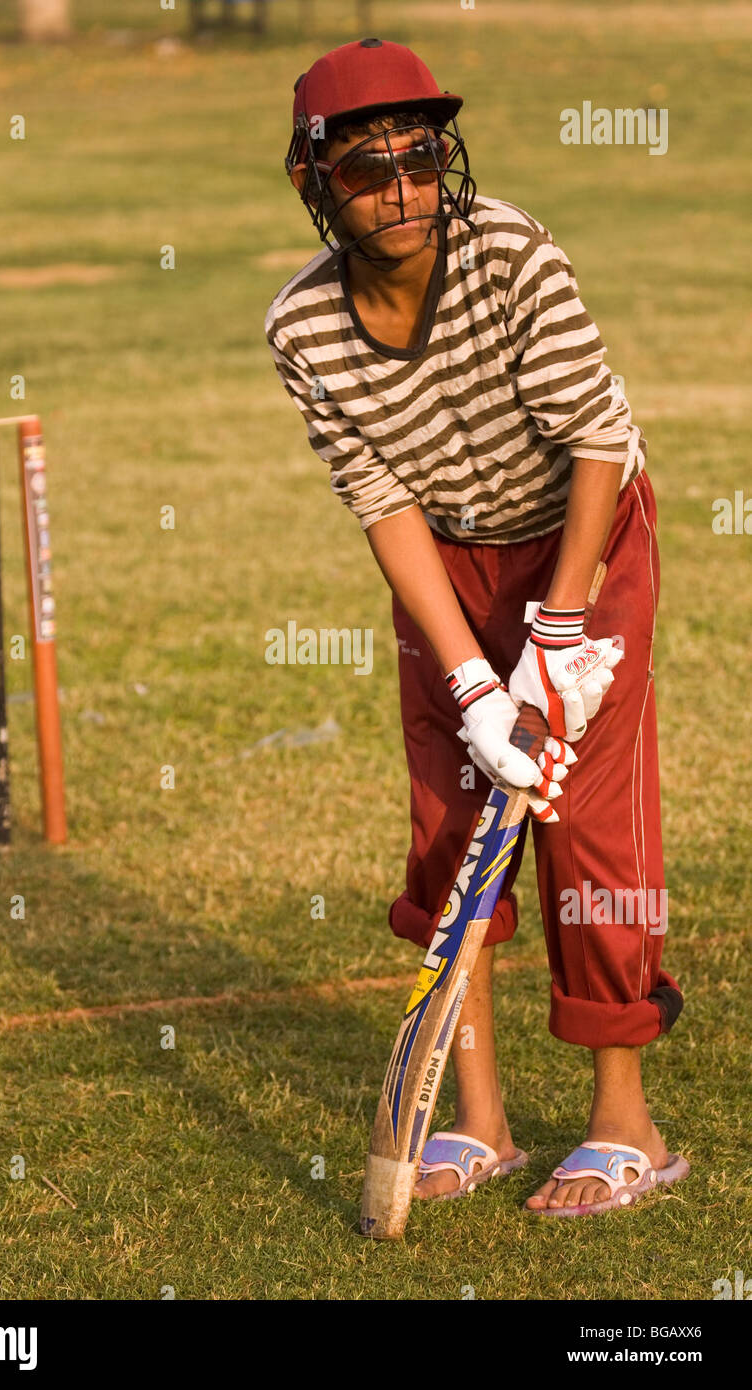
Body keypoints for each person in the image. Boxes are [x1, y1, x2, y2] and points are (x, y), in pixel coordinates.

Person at [264, 37, 688, 1216]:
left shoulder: (508, 252)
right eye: (364, 168)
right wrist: (468, 682)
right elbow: (382, 502)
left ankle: (625, 1125)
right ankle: (481, 1121)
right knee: (456, 820)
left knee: (581, 816)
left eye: (417, 156)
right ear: (313, 185)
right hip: (447, 554)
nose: (398, 187)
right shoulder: (299, 329)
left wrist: (556, 633)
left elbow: (598, 443)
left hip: (584, 530)